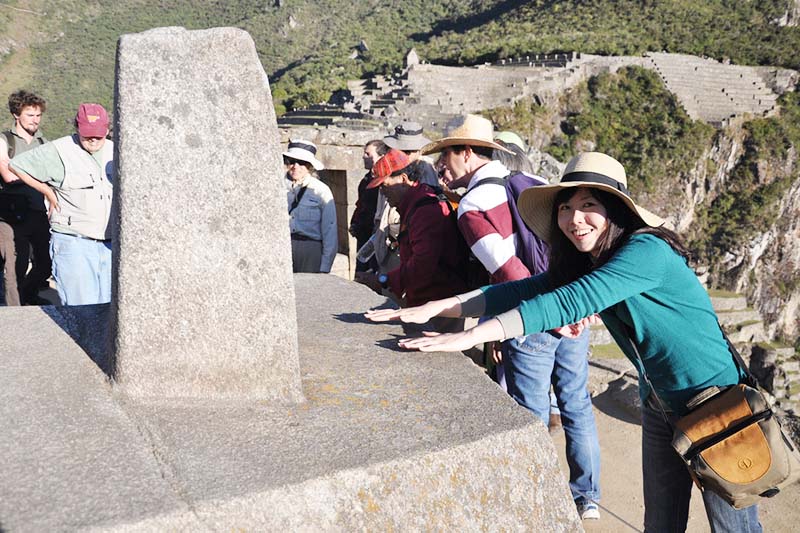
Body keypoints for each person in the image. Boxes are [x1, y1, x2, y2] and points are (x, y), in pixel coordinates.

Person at [367, 152, 761, 532]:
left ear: (615, 211)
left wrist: (469, 336)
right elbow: (524, 290)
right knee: (660, 524)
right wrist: (435, 308)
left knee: (733, 524)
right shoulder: (594, 259)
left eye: (588, 204)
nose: (575, 219)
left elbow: (568, 302)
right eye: (565, 208)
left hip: (715, 401)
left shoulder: (645, 252)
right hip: (659, 402)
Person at [422, 116, 602, 519]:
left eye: (446, 156)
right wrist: (574, 307)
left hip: (533, 318)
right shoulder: (534, 185)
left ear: (467, 153)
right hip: (573, 308)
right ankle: (586, 497)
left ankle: (538, 499)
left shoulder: (472, 206)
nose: (442, 166)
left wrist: (548, 316)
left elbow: (508, 272)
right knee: (576, 403)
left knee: (530, 411)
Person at [9, 103, 114, 306]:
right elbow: (16, 165)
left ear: (107, 130)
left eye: (98, 135)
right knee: (83, 310)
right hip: (75, 243)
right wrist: (47, 190)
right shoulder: (60, 150)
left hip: (111, 244)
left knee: (109, 311)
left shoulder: (115, 150)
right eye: (87, 134)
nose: (93, 139)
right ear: (77, 127)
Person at [355, 149, 468, 316]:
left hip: (437, 304)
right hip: (427, 299)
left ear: (403, 179)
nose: (383, 193)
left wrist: (383, 280)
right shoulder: (415, 203)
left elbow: (423, 265)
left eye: (384, 186)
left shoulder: (425, 212)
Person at [0, 90, 50, 305]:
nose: (35, 120)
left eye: (38, 115)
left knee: (46, 264)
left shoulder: (44, 143)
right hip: (10, 215)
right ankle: (14, 312)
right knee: (13, 265)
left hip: (38, 212)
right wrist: (41, 182)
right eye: (30, 115)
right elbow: (8, 175)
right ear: (16, 114)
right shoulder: (5, 140)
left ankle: (27, 295)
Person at [284, 139, 337, 273]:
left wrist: (325, 266)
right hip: (283, 246)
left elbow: (329, 229)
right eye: (291, 161)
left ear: (309, 166)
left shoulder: (321, 190)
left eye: (301, 163)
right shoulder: (275, 186)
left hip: (310, 248)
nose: (295, 166)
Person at [349, 139, 388, 272]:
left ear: (381, 157)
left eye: (368, 154)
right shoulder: (365, 181)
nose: (363, 157)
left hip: (378, 236)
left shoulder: (386, 183)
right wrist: (355, 223)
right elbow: (361, 205)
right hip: (364, 237)